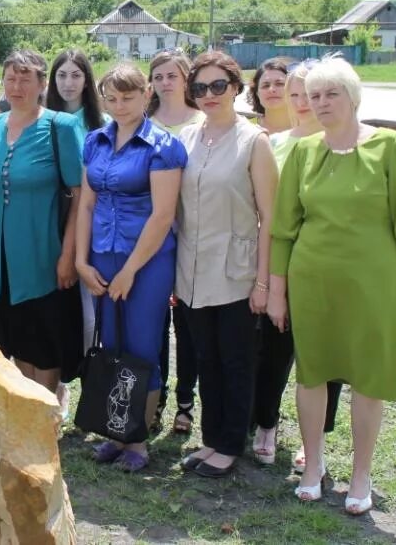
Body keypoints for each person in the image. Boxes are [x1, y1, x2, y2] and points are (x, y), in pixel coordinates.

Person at [268, 57, 396, 513]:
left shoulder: (392, 147)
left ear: (353, 97)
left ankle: (362, 472)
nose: (320, 103)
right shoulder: (303, 152)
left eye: (330, 94)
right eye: (314, 95)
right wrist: (277, 291)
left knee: (367, 378)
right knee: (312, 373)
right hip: (311, 279)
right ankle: (313, 464)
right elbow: (284, 228)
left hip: (373, 283)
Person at [75, 64, 186, 472]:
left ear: (146, 96)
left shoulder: (162, 146)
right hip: (103, 255)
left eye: (128, 97)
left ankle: (137, 439)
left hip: (148, 261)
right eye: (112, 98)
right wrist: (81, 260)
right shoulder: (95, 141)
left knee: (141, 348)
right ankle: (116, 431)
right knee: (112, 346)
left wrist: (130, 271)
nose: (119, 105)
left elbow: (162, 216)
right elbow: (86, 204)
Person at [176, 51, 278, 478]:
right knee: (205, 358)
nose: (209, 94)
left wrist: (263, 282)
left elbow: (271, 218)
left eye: (219, 85)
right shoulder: (186, 136)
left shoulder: (254, 140)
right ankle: (212, 438)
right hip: (191, 271)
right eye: (200, 88)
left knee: (235, 359)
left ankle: (231, 442)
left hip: (236, 271)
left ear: (236, 88)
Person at [0, 50, 83, 398]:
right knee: (15, 342)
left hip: (42, 258)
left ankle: (46, 414)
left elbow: (81, 197)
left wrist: (68, 256)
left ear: (41, 84)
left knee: (44, 344)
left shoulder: (60, 127)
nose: (17, 86)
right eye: (10, 78)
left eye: (26, 78)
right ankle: (27, 410)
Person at [250, 60, 343, 467]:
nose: (302, 102)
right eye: (295, 94)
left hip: (330, 263)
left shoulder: (343, 142)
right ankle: (266, 422)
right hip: (283, 259)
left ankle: (316, 436)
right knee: (273, 349)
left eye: (310, 93)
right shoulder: (275, 142)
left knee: (327, 355)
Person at [46, 49, 107, 415]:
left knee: (88, 316)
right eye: (61, 75)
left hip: (90, 225)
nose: (68, 83)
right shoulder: (43, 121)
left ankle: (92, 388)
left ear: (87, 80)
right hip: (47, 224)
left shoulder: (100, 125)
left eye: (75, 75)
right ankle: (58, 387)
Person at [147, 48, 202, 435]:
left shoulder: (201, 122)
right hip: (152, 236)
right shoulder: (144, 123)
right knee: (154, 325)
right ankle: (156, 397)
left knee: (187, 326)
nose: (165, 82)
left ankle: (186, 403)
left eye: (172, 75)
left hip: (194, 235)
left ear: (186, 80)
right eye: (159, 76)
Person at [248, 57, 293, 133]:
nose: (271, 89)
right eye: (265, 85)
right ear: (257, 93)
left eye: (279, 84)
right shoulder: (246, 130)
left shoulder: (312, 129)